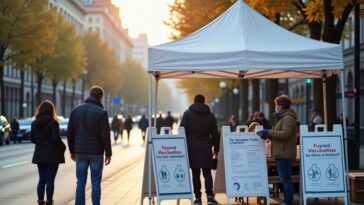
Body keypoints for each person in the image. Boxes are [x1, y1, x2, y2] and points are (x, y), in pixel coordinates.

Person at [67, 86, 112, 205]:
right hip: (96, 152)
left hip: (80, 151)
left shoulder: (75, 110)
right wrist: (108, 153)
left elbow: (70, 133)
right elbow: (105, 136)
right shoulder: (102, 113)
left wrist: (72, 151)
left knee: (80, 181)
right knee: (96, 182)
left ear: (90, 94)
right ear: (101, 97)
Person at [257, 95, 297, 205]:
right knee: (284, 179)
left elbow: (285, 134)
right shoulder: (282, 118)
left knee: (286, 180)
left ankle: (288, 202)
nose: (275, 107)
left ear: (280, 106)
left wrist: (268, 132)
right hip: (281, 153)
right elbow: (278, 134)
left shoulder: (288, 118)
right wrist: (267, 135)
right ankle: (286, 201)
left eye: (276, 105)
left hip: (284, 154)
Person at [180, 94, 220, 205]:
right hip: (206, 147)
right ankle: (210, 197)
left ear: (194, 101)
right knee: (207, 173)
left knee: (195, 173)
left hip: (192, 147)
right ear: (204, 101)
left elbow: (181, 130)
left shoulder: (187, 114)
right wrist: (216, 148)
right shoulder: (211, 116)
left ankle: (197, 198)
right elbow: (215, 134)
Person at [31, 100, 66, 205]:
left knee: (42, 178)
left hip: (40, 154)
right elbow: (56, 139)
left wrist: (40, 142)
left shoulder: (34, 123)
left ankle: (40, 200)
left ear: (40, 110)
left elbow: (32, 139)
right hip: (52, 155)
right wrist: (63, 147)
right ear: (52, 110)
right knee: (50, 179)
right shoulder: (53, 123)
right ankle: (49, 201)